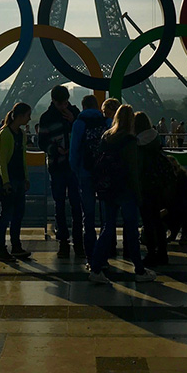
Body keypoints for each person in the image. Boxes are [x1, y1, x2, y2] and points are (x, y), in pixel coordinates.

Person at [88, 104, 156, 283]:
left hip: (108, 188)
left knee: (107, 229)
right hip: (125, 190)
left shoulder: (107, 136)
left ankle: (95, 268)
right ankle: (139, 270)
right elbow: (133, 171)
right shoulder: (130, 140)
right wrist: (138, 194)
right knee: (131, 230)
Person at [36, 85, 84, 259]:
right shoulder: (47, 118)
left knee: (73, 206)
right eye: (61, 103)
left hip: (68, 167)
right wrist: (57, 150)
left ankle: (77, 241)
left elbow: (83, 134)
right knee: (62, 206)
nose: (64, 106)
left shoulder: (73, 114)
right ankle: (65, 242)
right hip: (60, 166)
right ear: (54, 101)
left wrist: (74, 121)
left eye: (66, 103)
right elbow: (42, 143)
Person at [69, 94, 110, 264]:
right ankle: (104, 255)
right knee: (106, 217)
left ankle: (90, 256)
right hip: (104, 174)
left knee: (89, 216)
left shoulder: (79, 123)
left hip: (85, 174)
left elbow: (73, 153)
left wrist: (78, 171)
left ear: (83, 106)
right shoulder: (107, 122)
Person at [134, 112, 177, 266]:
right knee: (158, 222)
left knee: (148, 221)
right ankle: (162, 253)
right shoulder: (156, 137)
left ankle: (151, 253)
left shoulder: (137, 143)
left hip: (145, 185)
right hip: (159, 185)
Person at [0, 103, 33, 264]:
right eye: (27, 115)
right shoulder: (6, 134)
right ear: (20, 116)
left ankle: (14, 247)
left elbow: (22, 158)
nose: (29, 118)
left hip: (17, 179)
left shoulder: (20, 134)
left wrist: (25, 178)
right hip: (10, 180)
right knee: (7, 215)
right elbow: (2, 160)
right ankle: (3, 248)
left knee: (16, 214)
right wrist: (6, 182)